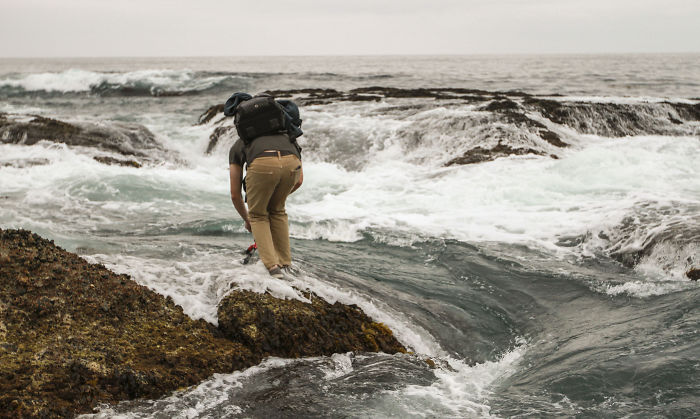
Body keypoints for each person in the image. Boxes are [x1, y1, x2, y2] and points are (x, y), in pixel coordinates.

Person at [229, 132, 303, 278]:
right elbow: (299, 181)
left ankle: (273, 268)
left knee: (257, 215)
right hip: (292, 163)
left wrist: (247, 219)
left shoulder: (241, 143)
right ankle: (286, 264)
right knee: (278, 211)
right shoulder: (289, 139)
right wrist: (274, 200)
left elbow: (235, 194)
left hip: (262, 165)